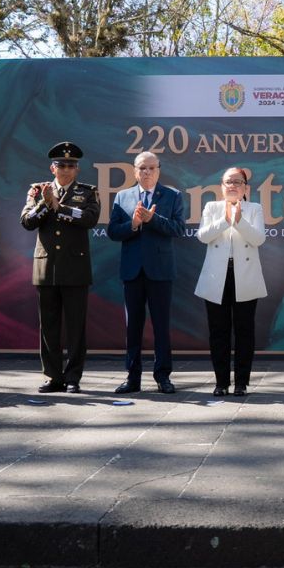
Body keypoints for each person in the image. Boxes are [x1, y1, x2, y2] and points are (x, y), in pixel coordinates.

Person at [21, 142, 101, 394]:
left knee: (76, 327)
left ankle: (73, 377)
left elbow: (90, 219)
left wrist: (60, 207)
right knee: (49, 326)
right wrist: (45, 204)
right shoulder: (37, 190)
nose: (66, 169)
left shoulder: (88, 192)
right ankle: (53, 376)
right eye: (61, 165)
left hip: (75, 268)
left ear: (77, 170)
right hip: (46, 268)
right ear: (52, 168)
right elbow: (26, 222)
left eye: (71, 165)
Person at [108, 151, 186, 394]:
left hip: (160, 271)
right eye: (142, 168)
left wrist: (153, 219)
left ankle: (163, 376)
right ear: (134, 171)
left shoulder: (173, 196)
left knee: (161, 326)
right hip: (132, 271)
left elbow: (179, 229)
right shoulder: (122, 196)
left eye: (152, 168)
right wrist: (132, 224)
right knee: (133, 327)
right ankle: (133, 377)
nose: (147, 172)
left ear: (159, 170)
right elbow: (112, 231)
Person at [195, 167, 267, 396]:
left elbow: (258, 239)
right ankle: (221, 382)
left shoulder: (254, 209)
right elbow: (203, 236)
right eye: (228, 182)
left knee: (245, 331)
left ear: (246, 188)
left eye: (238, 182)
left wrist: (240, 221)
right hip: (218, 277)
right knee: (219, 331)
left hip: (245, 276)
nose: (233, 185)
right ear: (221, 186)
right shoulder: (211, 207)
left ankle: (241, 383)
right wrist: (226, 220)